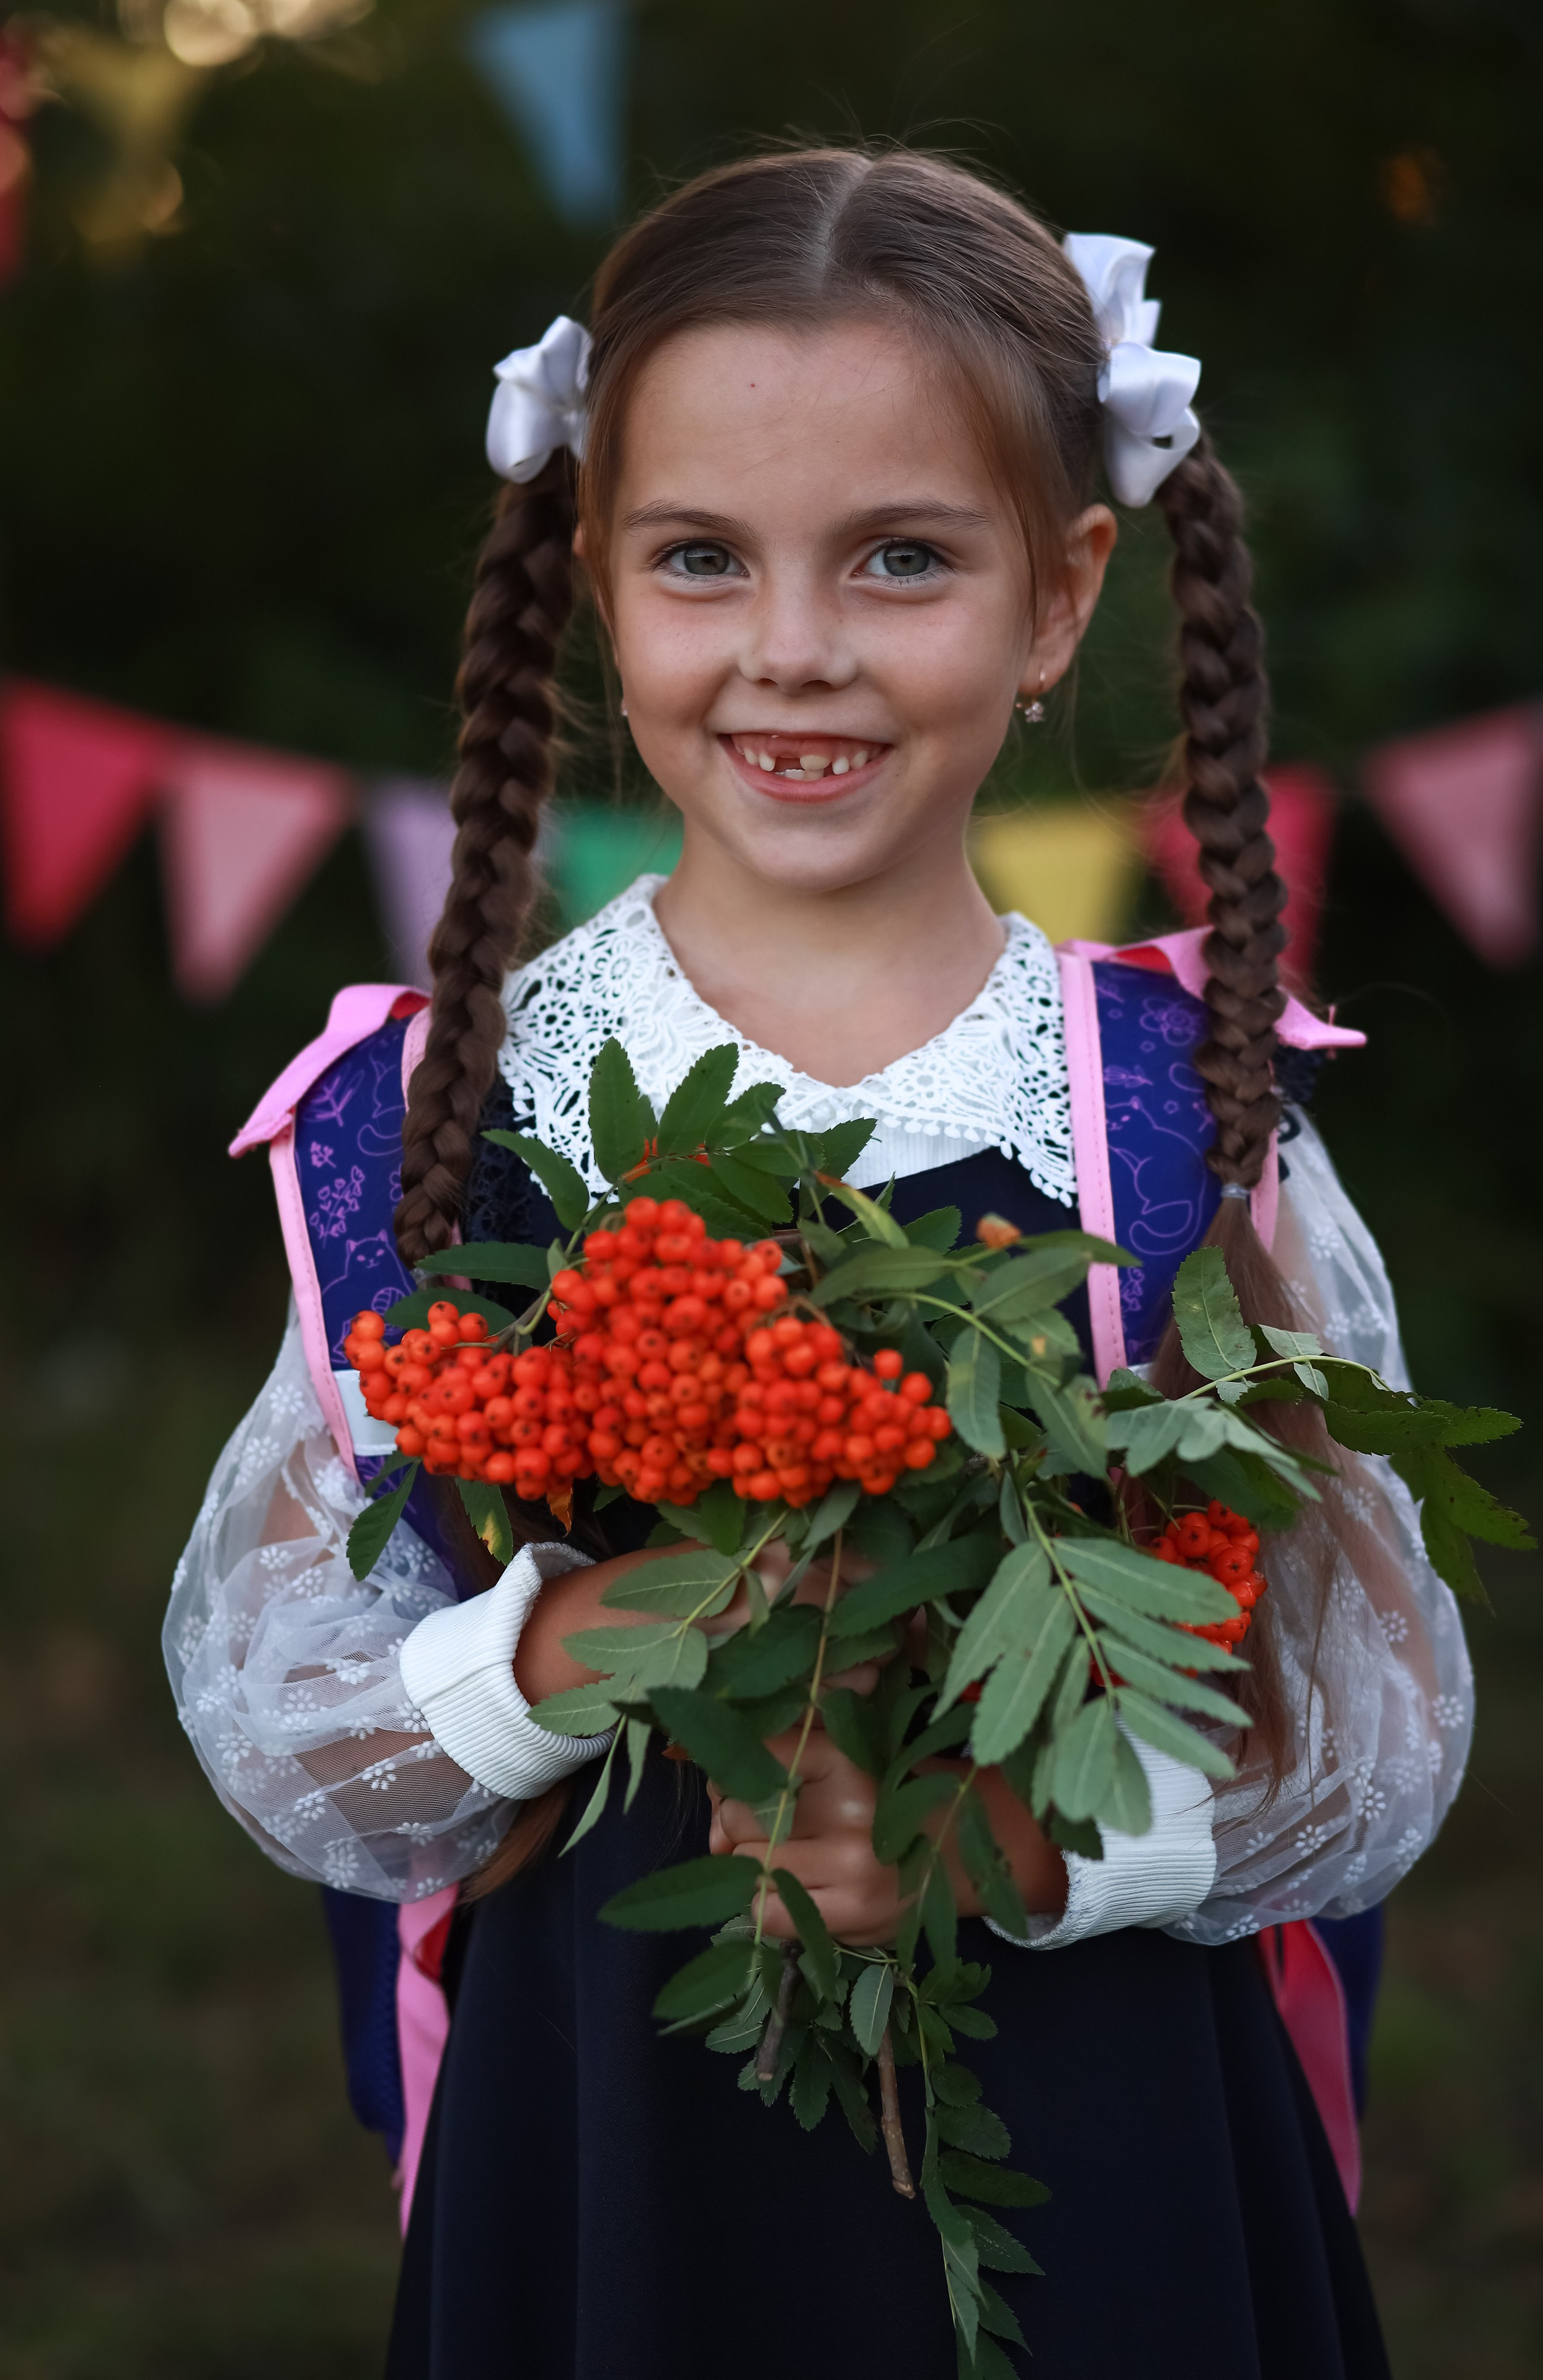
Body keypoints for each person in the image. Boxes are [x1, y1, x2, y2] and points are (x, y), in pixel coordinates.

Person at [167, 149, 1471, 2377]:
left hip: (1102, 2140)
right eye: (701, 558)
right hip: (622, 2140)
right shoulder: (440, 1125)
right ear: (594, 578)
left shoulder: (1179, 1111)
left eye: (900, 559)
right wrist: (565, 1648)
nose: (794, 645)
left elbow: (1368, 1728)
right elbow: (294, 1725)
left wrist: (1017, 1852)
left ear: (1061, 597)